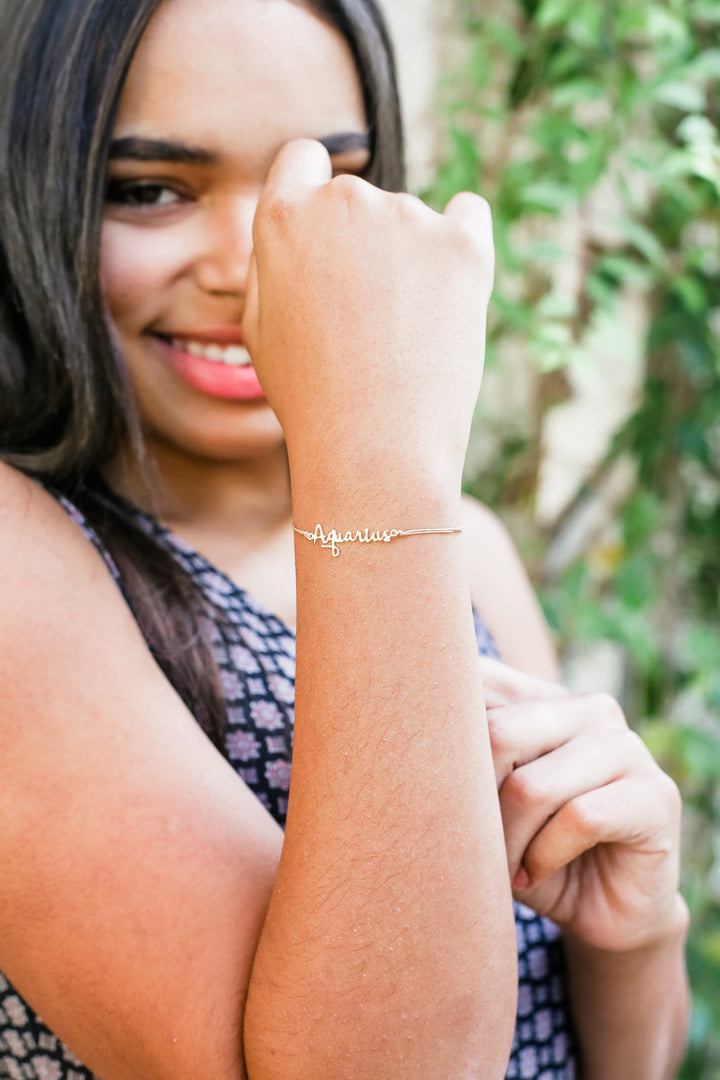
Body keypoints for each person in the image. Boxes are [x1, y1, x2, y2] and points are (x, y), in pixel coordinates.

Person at [0, 0, 689, 1077]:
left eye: (323, 182)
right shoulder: (22, 559)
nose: (253, 262)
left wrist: (638, 934)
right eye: (149, 191)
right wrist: (376, 441)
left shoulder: (460, 546)